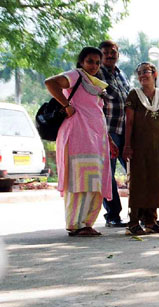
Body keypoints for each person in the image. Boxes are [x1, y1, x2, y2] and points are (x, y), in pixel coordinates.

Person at [44, 47, 117, 236]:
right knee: (79, 180)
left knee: (94, 180)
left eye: (97, 62)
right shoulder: (75, 75)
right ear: (81, 62)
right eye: (90, 61)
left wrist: (109, 139)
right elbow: (51, 83)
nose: (94, 65)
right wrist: (66, 105)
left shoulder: (95, 84)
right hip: (77, 135)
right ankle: (75, 224)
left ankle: (85, 223)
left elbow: (97, 112)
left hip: (96, 139)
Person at [122, 62, 159, 235]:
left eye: (146, 71)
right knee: (139, 183)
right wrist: (127, 145)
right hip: (139, 146)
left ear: (154, 74)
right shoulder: (134, 95)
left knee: (156, 181)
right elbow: (129, 122)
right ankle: (133, 222)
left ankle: (151, 221)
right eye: (139, 73)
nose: (142, 75)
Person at [96, 40, 130, 228]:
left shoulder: (120, 73)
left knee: (134, 170)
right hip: (107, 131)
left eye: (113, 52)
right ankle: (113, 215)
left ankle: (141, 212)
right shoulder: (96, 73)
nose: (110, 55)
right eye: (106, 52)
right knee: (108, 175)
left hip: (125, 129)